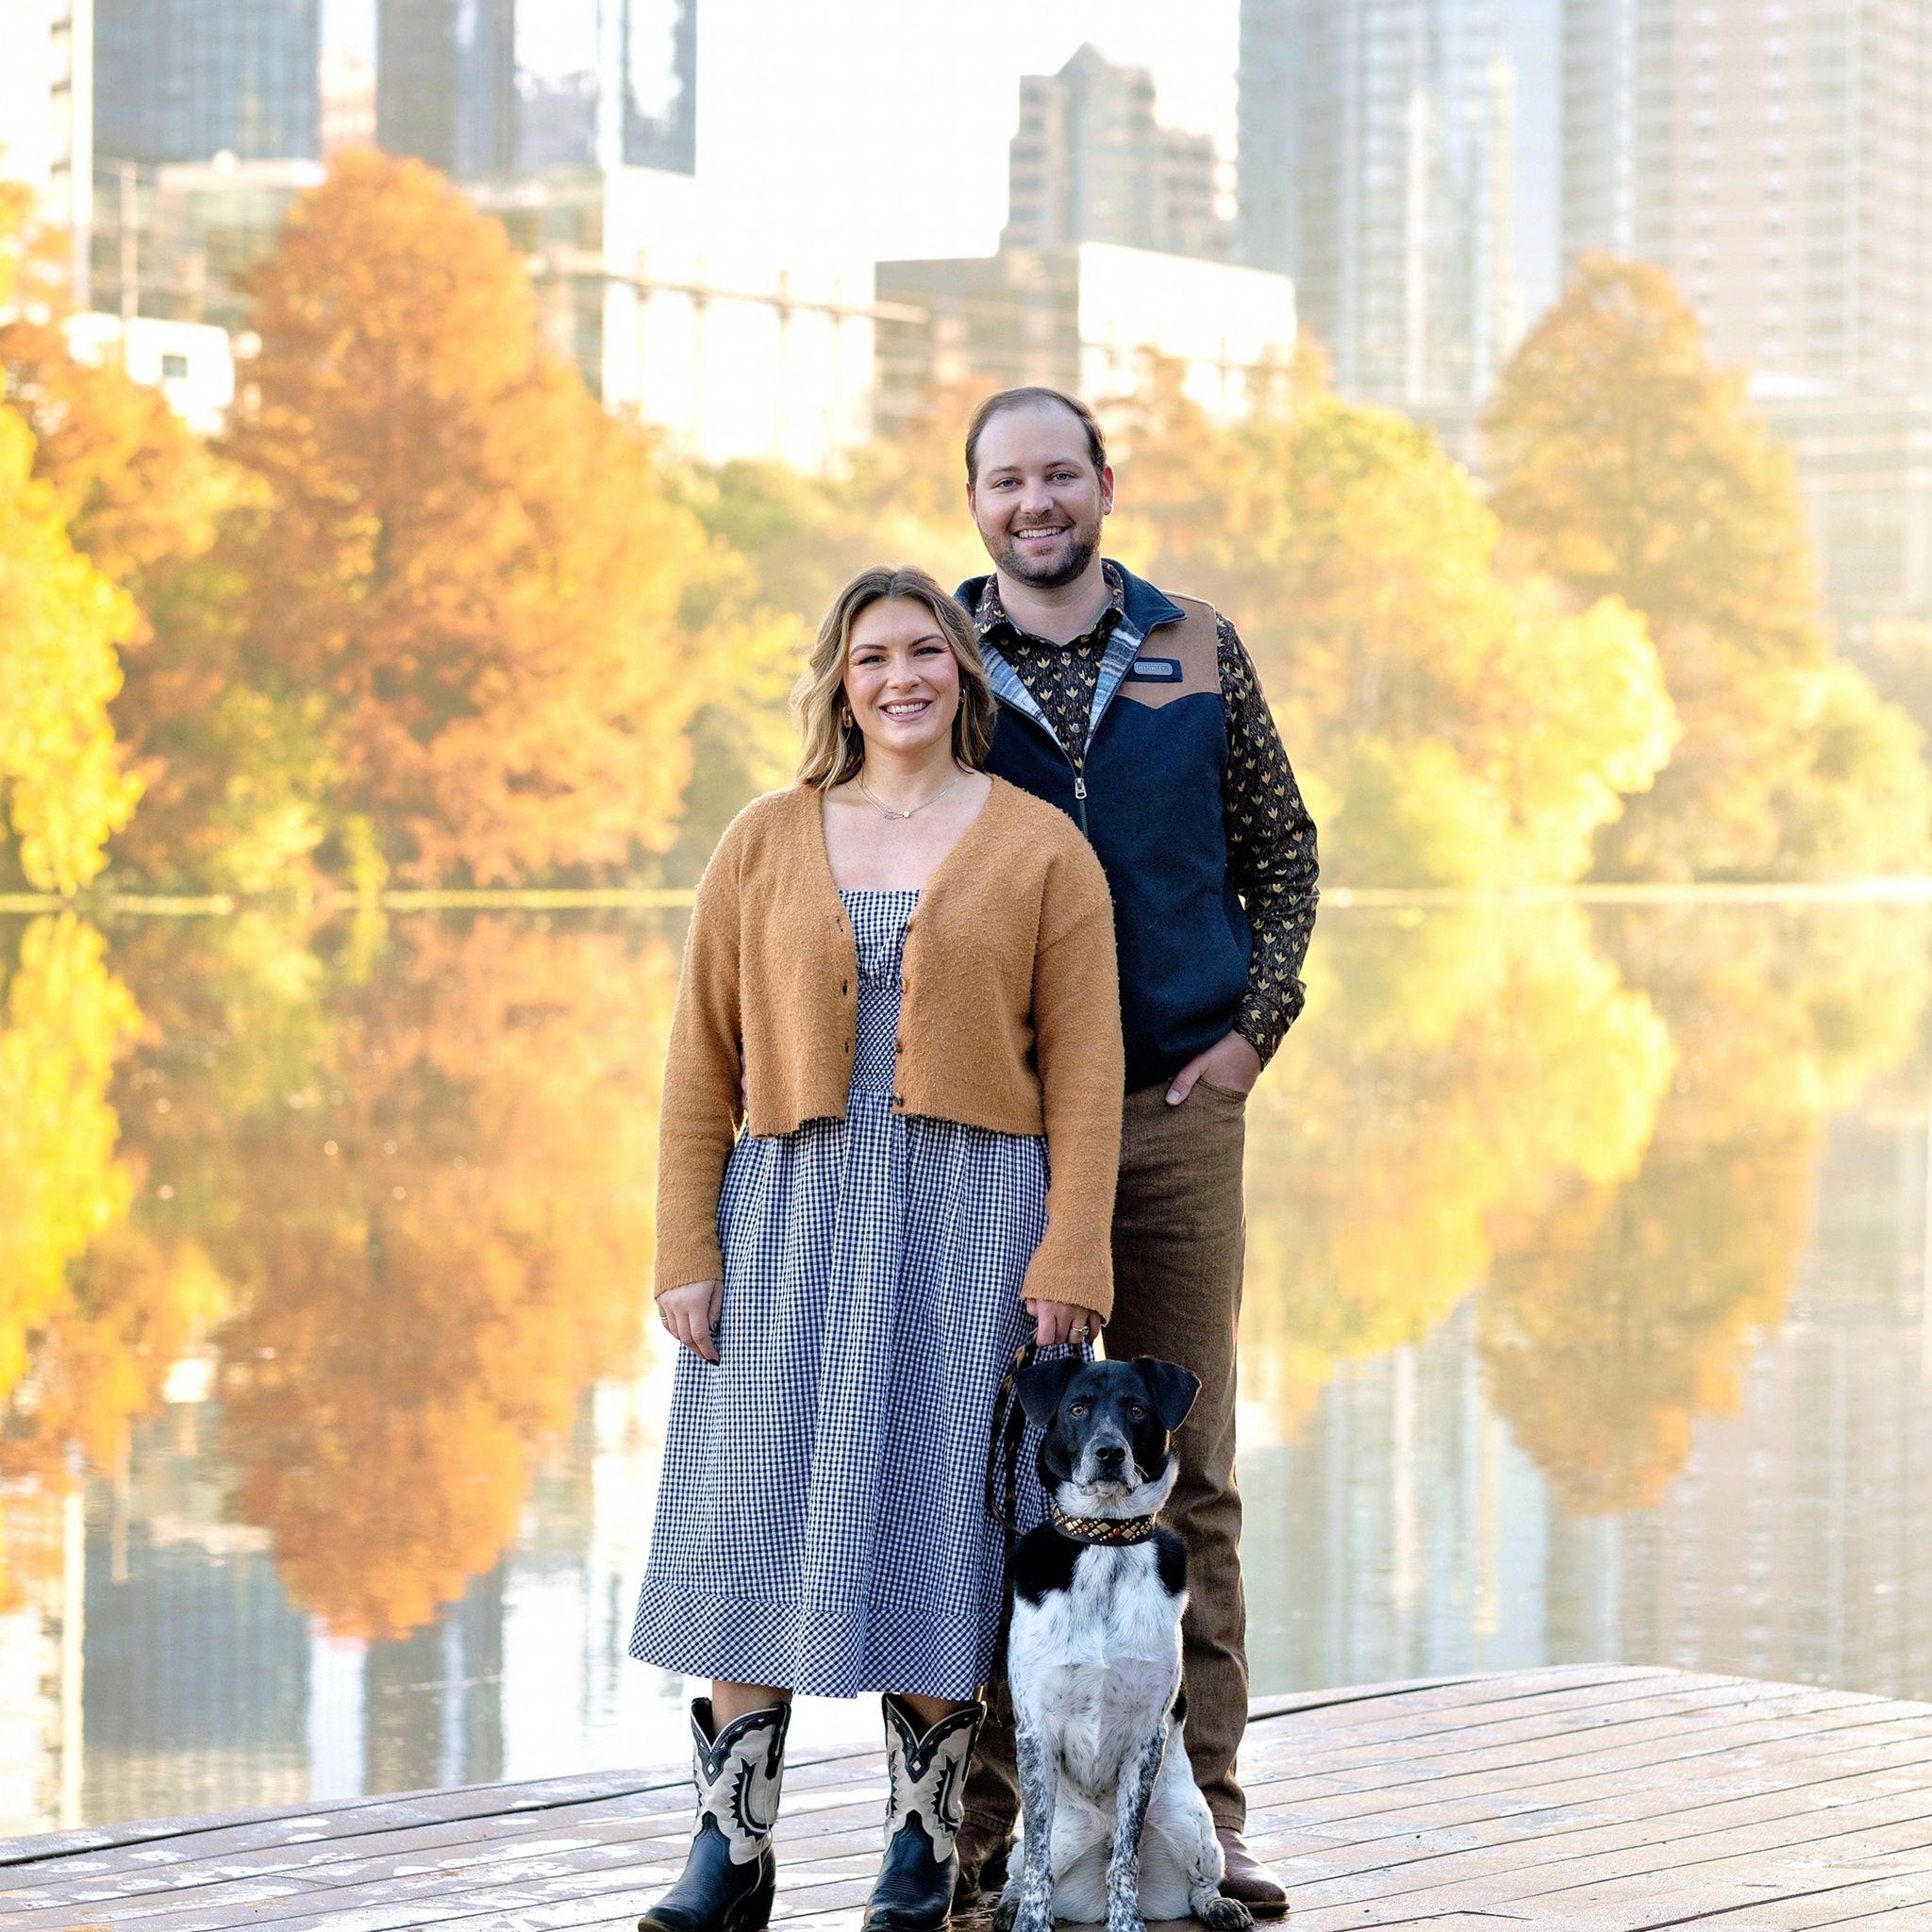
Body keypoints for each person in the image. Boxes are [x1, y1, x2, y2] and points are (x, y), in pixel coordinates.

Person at [629, 562, 1124, 1932]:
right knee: (750, 1511)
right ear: (839, 687)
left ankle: (920, 1848)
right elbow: (699, 1061)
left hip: (971, 1227)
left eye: (924, 652)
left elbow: (1088, 1073)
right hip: (787, 1222)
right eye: (870, 658)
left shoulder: (1039, 847)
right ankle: (731, 1849)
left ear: (963, 672)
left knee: (935, 1515)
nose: (900, 677)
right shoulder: (763, 839)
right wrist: (684, 1248)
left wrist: (1073, 1254)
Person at [952, 388, 1321, 1917]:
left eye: (1060, 474)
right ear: (974, 502)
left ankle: (1208, 1822)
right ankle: (980, 1835)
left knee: (1192, 1473)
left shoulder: (1198, 646)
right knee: (994, 1468)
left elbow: (1284, 854)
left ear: (1105, 483)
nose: (1035, 502)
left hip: (1175, 1110)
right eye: (1006, 481)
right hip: (1003, 1129)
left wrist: (1251, 1033)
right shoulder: (940, 655)